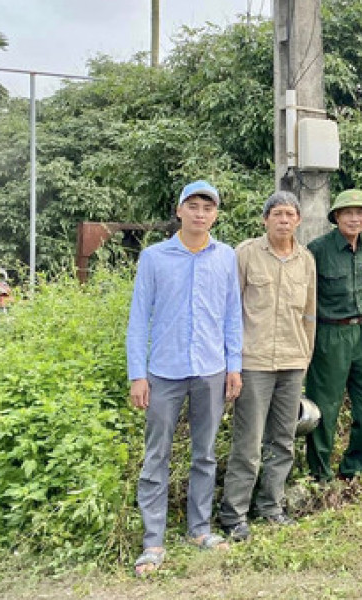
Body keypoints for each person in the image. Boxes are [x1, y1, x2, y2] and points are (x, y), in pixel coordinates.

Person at [126, 180, 242, 577]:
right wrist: (137, 374)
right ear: (179, 211)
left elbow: (232, 315)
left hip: (210, 369)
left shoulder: (225, 257)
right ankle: (153, 541)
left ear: (215, 215)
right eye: (192, 206)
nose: (199, 213)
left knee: (205, 453)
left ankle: (198, 529)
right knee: (156, 456)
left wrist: (234, 365)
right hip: (164, 372)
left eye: (207, 208)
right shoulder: (155, 258)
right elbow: (139, 319)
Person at [219, 191, 316, 543]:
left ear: (298, 220)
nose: (284, 220)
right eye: (277, 214)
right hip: (254, 362)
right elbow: (231, 311)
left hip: (292, 361)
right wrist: (232, 361)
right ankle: (234, 515)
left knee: (284, 440)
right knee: (248, 442)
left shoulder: (306, 259)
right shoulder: (245, 255)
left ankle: (271, 507)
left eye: (290, 214)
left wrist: (305, 356)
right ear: (265, 219)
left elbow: (309, 314)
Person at [304, 190, 362, 482]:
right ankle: (320, 472)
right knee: (325, 405)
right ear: (336, 217)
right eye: (348, 213)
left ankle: (355, 466)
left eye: (361, 213)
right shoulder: (317, 250)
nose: (355, 218)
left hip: (361, 331)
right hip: (329, 332)